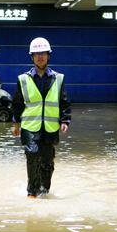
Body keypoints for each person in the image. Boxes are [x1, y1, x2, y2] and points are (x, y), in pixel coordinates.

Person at [12, 37, 71, 198]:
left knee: (47, 160)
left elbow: (63, 100)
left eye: (43, 53)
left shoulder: (58, 78)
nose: (40, 56)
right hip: (30, 126)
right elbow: (17, 103)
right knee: (32, 154)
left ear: (48, 55)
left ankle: (44, 190)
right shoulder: (23, 79)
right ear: (32, 57)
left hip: (50, 127)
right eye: (37, 54)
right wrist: (16, 124)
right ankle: (32, 191)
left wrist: (65, 120)